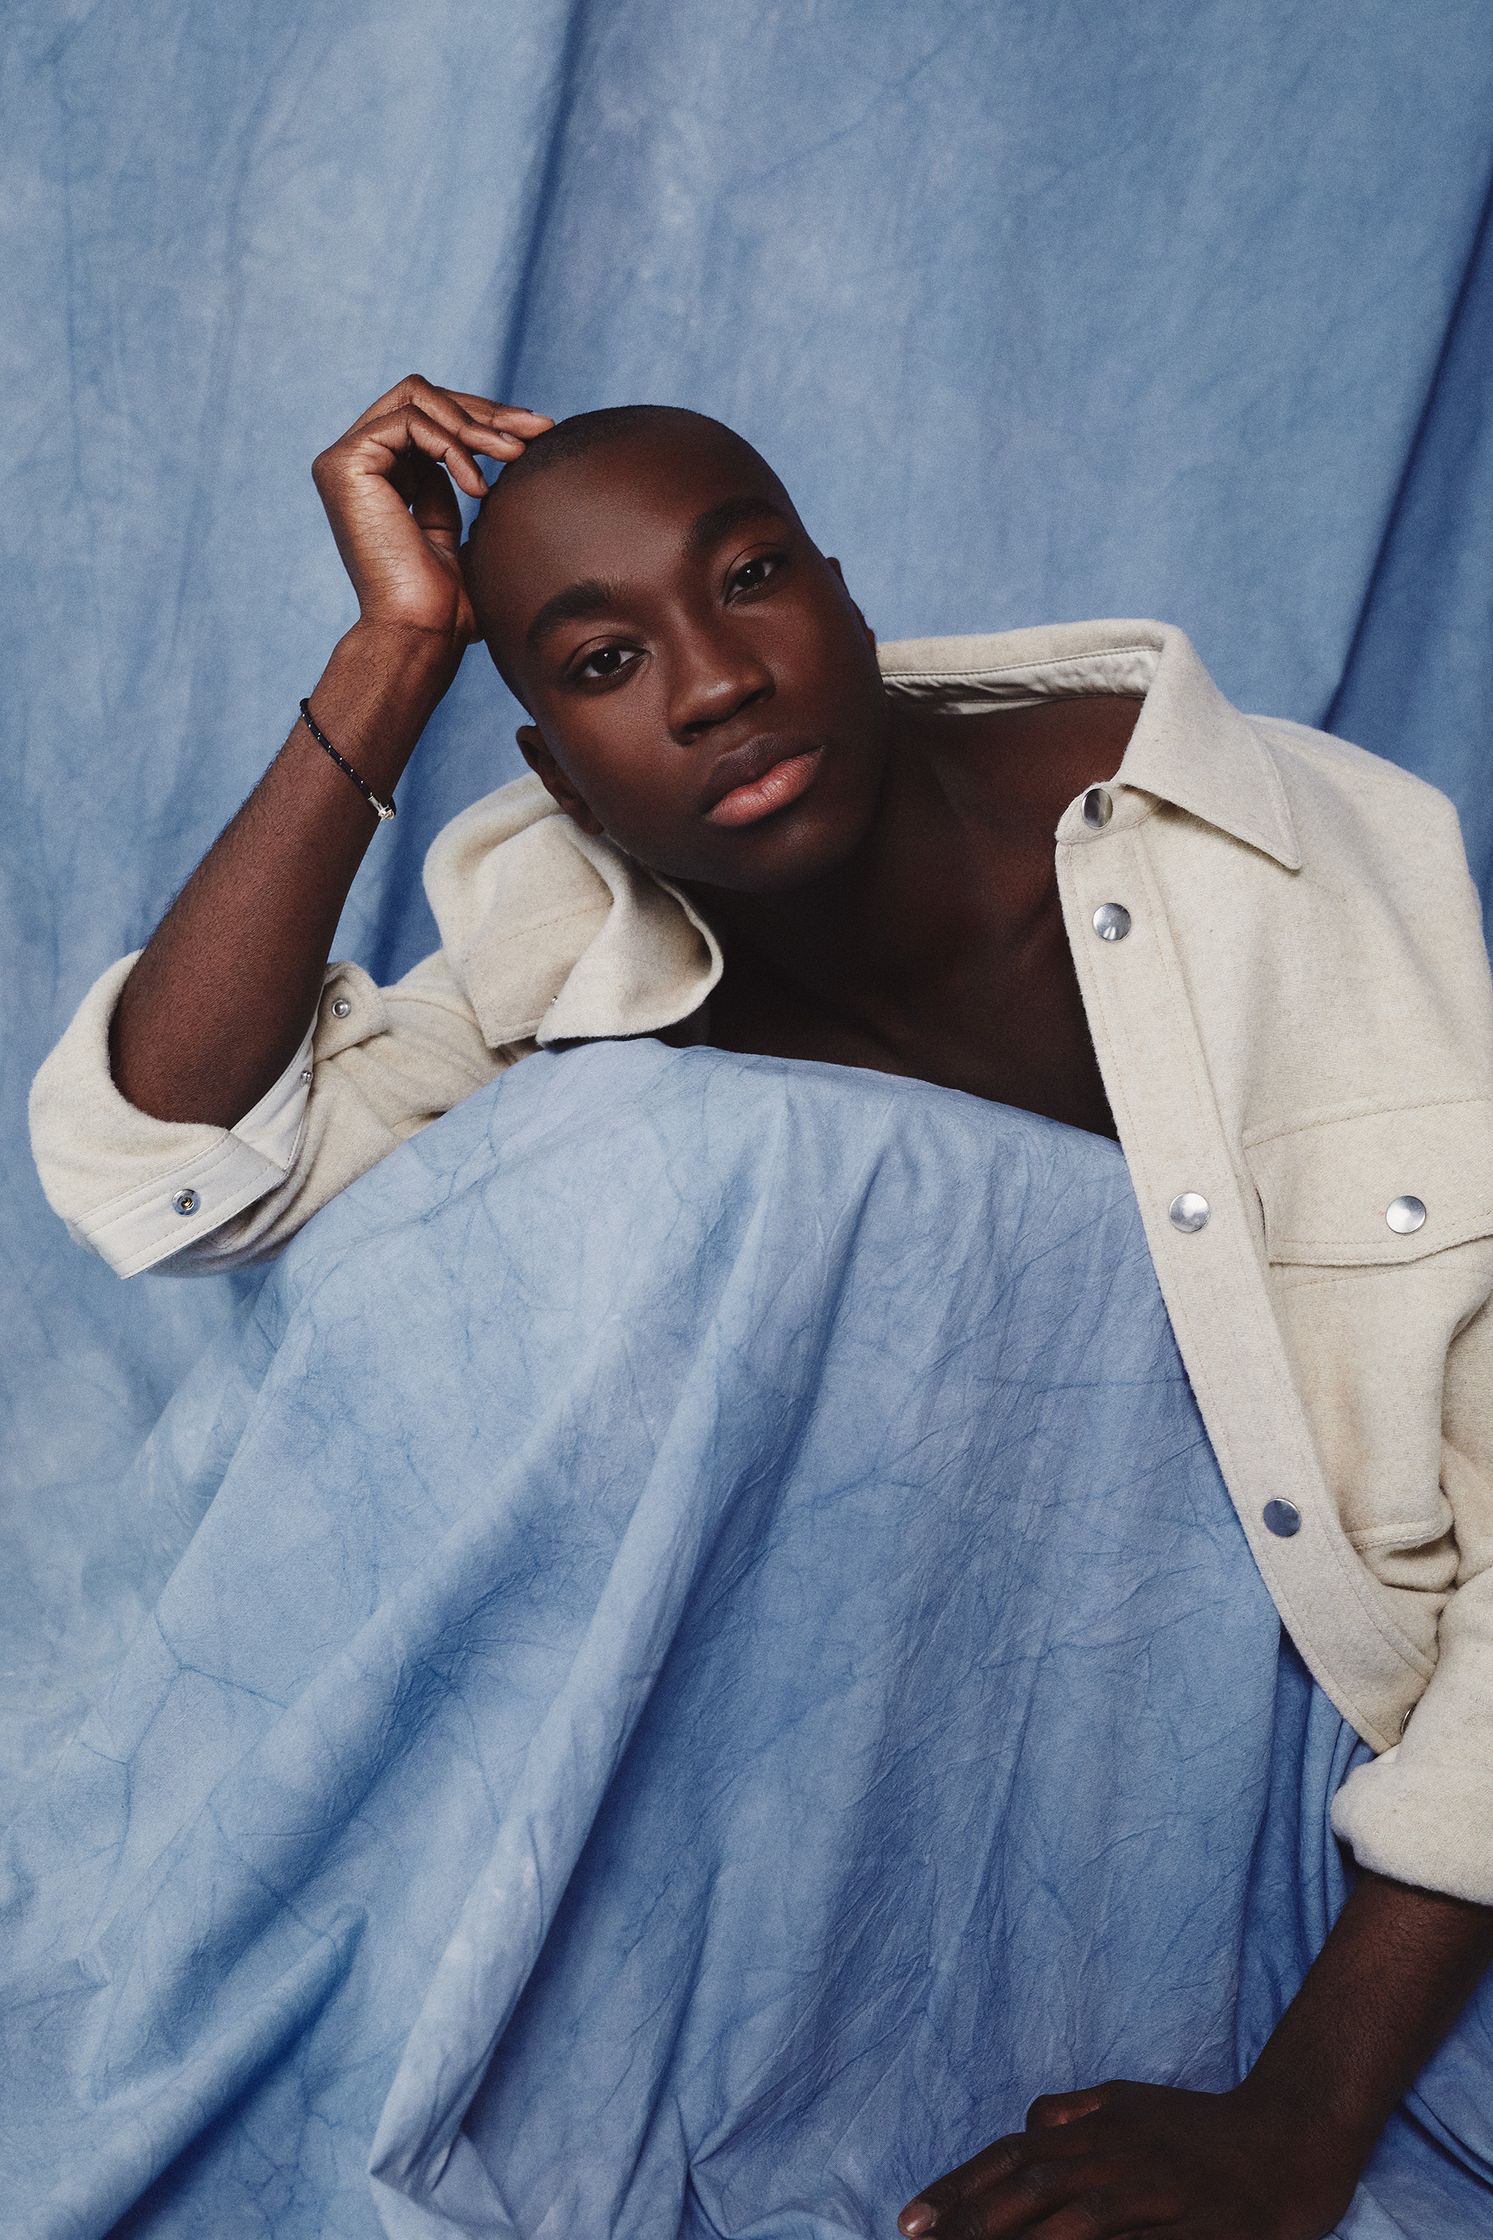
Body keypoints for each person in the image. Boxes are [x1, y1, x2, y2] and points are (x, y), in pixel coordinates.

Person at [28, 374, 1493, 2240]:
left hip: (1301, 1792)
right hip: (829, 1826)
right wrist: (393, 654)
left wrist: (1297, 2124)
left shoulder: (1264, 849)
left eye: (750, 575)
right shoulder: (573, 918)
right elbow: (177, 1172)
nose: (712, 683)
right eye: (597, 660)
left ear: (850, 603)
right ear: (553, 766)